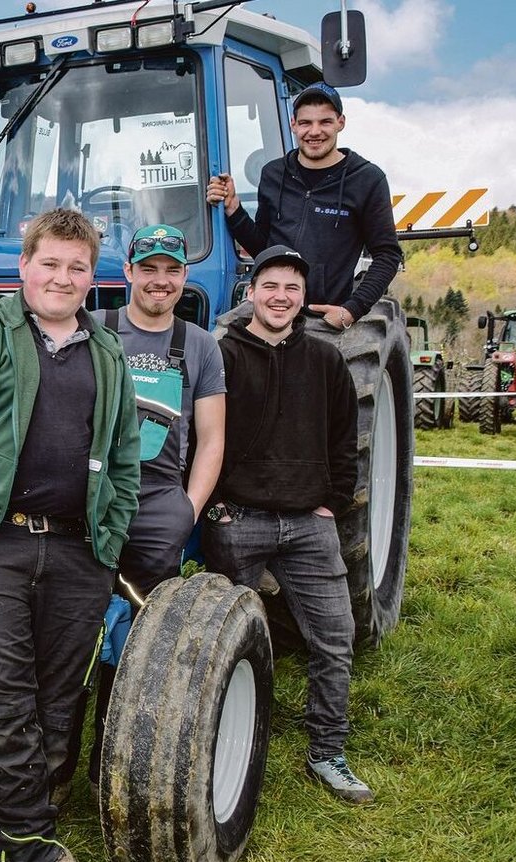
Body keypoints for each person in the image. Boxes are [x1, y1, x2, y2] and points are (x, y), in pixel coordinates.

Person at [0, 208, 140, 862]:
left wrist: (109, 537)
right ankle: (25, 845)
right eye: (50, 263)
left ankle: (40, 793)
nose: (62, 278)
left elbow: (125, 456)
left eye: (77, 267)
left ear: (92, 276)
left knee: (60, 694)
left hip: (75, 549)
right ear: (24, 266)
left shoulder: (107, 353)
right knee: (2, 699)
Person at [52, 223, 226, 802]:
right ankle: (54, 770)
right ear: (128, 272)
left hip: (156, 506)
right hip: (89, 500)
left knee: (141, 645)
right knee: (71, 634)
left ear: (183, 278)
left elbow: (212, 439)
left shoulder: (199, 346)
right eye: (148, 269)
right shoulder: (94, 328)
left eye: (171, 271)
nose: (159, 281)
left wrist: (187, 509)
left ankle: (112, 769)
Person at [201, 244, 371, 804]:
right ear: (251, 291)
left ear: (304, 298)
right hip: (239, 522)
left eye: (292, 288)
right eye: (270, 286)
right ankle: (213, 750)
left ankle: (327, 751)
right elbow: (198, 437)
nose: (281, 297)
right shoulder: (221, 355)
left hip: (307, 525)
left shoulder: (325, 360)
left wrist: (333, 501)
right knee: (221, 644)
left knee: (335, 638)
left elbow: (344, 437)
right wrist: (216, 507)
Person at [206, 81, 402, 331]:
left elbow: (387, 254)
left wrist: (352, 310)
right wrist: (233, 209)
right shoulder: (273, 174)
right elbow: (264, 248)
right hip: (269, 308)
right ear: (293, 124)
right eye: (306, 123)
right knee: (217, 342)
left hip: (322, 317)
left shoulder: (367, 179)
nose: (314, 131)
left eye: (325, 122)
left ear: (340, 122)